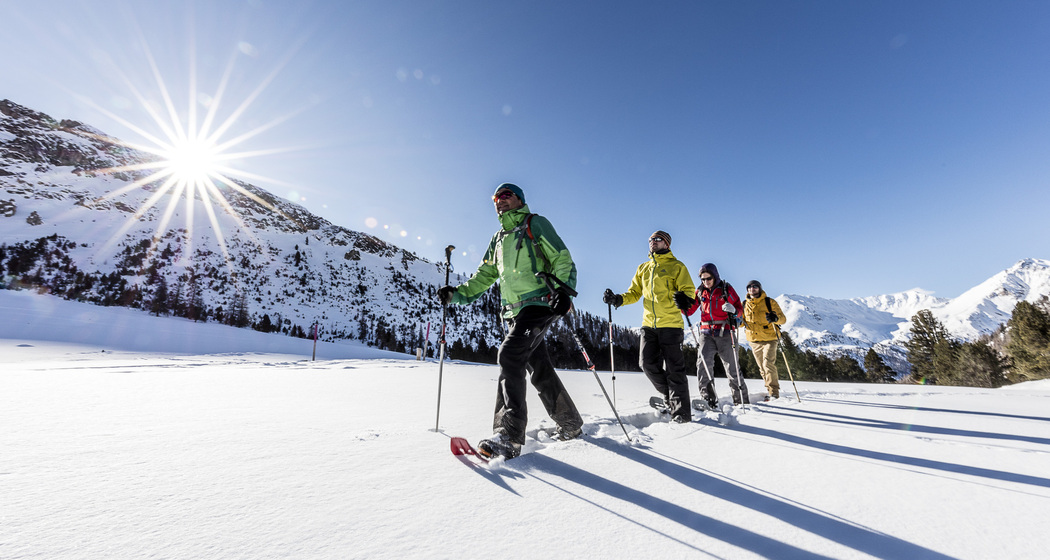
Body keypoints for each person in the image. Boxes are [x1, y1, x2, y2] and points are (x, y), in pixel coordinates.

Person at [438, 183, 583, 459]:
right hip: (514, 312)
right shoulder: (498, 238)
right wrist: (457, 295)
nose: (500, 201)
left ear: (519, 200)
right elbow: (484, 276)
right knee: (539, 367)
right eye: (496, 198)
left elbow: (562, 257)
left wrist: (563, 291)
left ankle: (509, 435)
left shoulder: (535, 224)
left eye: (506, 195)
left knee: (510, 355)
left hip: (540, 302)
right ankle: (570, 423)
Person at [603, 231, 694, 423]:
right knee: (646, 364)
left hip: (671, 324)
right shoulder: (643, 268)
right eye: (651, 239)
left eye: (658, 239)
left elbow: (688, 291)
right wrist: (618, 299)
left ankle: (682, 415)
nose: (653, 242)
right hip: (649, 325)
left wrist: (684, 299)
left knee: (674, 370)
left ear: (667, 244)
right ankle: (670, 395)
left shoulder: (677, 266)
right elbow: (634, 293)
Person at [676, 263, 749, 406]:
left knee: (732, 368)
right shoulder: (700, 292)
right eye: (702, 279)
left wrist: (734, 310)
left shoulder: (726, 289)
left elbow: (740, 309)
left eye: (708, 278)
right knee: (703, 366)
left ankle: (741, 401)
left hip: (725, 332)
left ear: (715, 276)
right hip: (706, 333)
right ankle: (708, 399)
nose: (706, 282)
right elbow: (690, 311)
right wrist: (682, 305)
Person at [743, 280, 787, 400]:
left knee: (768, 364)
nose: (752, 289)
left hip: (770, 338)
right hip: (754, 340)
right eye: (750, 287)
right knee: (762, 368)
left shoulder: (769, 302)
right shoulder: (744, 304)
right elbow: (741, 323)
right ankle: (769, 389)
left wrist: (775, 318)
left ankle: (774, 393)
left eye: (755, 286)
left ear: (760, 288)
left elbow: (783, 319)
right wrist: (733, 318)